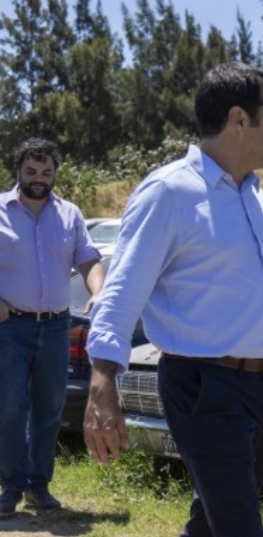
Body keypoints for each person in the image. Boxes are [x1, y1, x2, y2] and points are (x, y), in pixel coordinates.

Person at [83, 63, 263, 537]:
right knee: (239, 525)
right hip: (205, 387)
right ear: (238, 119)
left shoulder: (255, 195)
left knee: (213, 521)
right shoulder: (170, 192)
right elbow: (122, 290)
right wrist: (102, 383)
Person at [0, 138, 105, 518]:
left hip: (58, 326)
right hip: (10, 327)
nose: (39, 179)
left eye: (46, 172)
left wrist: (98, 291)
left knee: (49, 408)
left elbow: (89, 259)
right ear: (18, 171)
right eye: (31, 172)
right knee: (10, 408)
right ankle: (10, 488)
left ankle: (39, 487)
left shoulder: (70, 214)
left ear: (55, 173)